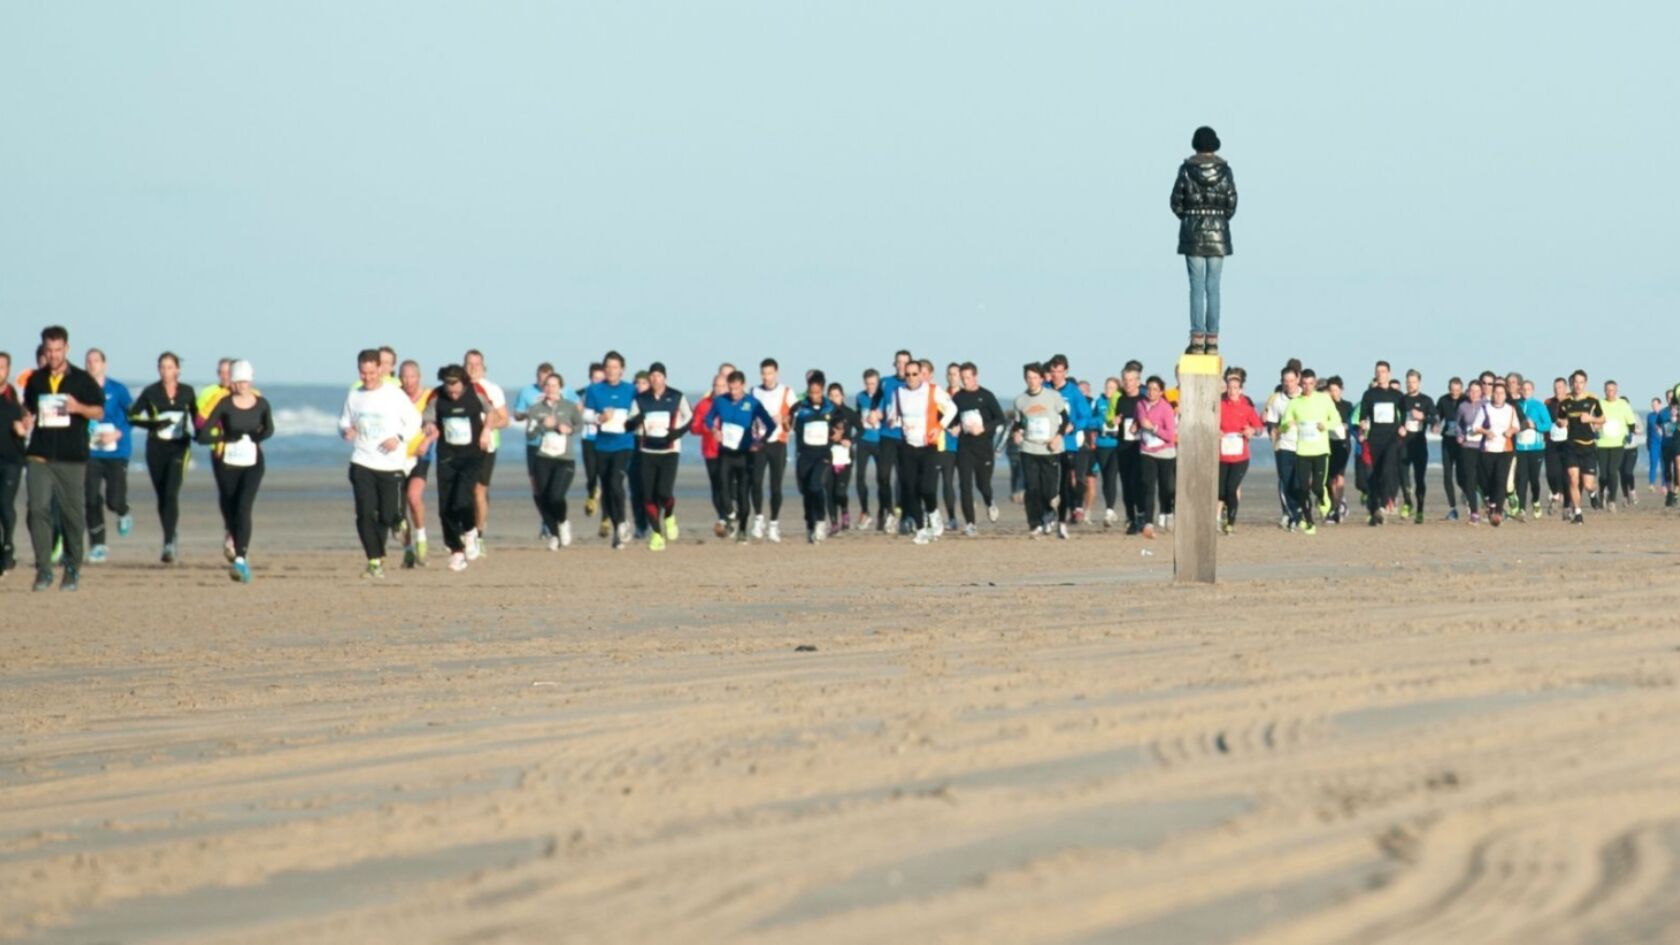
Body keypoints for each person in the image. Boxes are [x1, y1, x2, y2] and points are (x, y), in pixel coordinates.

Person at [19, 326, 105, 591]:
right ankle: (44, 569)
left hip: (71, 458)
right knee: (37, 511)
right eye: (49, 350)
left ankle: (72, 568)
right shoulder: (35, 380)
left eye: (58, 350)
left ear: (66, 348)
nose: (54, 355)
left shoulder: (81, 379)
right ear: (43, 350)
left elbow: (99, 411)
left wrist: (78, 407)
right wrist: (25, 417)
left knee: (72, 516)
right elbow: (28, 407)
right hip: (39, 455)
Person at [340, 349, 421, 579]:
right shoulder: (355, 395)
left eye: (372, 373)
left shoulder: (394, 394)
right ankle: (374, 561)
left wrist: (398, 438)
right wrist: (346, 430)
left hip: (391, 464)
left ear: (381, 370)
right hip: (362, 461)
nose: (368, 377)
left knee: (389, 515)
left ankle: (398, 523)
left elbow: (414, 421)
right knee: (364, 515)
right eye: (363, 373)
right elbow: (343, 421)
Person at [196, 359, 272, 583]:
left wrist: (256, 436)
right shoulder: (224, 403)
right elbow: (202, 434)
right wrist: (223, 436)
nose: (240, 386)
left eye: (244, 382)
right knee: (230, 509)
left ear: (250, 381)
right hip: (227, 464)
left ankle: (240, 558)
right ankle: (234, 540)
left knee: (244, 507)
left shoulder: (261, 403)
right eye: (237, 382)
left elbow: (269, 428)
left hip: (253, 464)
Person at [1171, 125, 1237, 356]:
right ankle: (1212, 339)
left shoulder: (1186, 169)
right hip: (1218, 234)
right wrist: (1218, 220)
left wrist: (1189, 218)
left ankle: (1197, 338)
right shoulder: (1225, 170)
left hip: (1193, 233)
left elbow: (1176, 202)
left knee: (1196, 287)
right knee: (1214, 287)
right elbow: (1231, 203)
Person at [126, 352, 197, 564]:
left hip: (179, 448)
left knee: (171, 493)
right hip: (156, 449)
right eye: (162, 367)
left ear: (178, 370)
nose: (165, 371)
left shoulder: (187, 392)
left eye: (169, 367)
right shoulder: (151, 392)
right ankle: (171, 532)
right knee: (162, 496)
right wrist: (153, 424)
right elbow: (132, 416)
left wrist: (204, 433)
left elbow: (198, 417)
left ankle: (168, 542)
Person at [423, 364, 490, 570]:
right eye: (449, 390)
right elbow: (428, 418)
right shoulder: (436, 395)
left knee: (462, 499)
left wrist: (486, 430)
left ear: (464, 384)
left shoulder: (476, 392)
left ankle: (470, 532)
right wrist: (429, 426)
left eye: (456, 390)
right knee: (445, 507)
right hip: (447, 456)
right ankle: (456, 551)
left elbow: (491, 411)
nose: (452, 394)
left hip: (472, 454)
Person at [886, 357, 959, 544]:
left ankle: (933, 512)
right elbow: (893, 415)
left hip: (928, 446)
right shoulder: (898, 392)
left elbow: (952, 409)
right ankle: (920, 529)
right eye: (907, 374)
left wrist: (940, 426)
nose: (910, 378)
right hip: (908, 446)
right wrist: (892, 420)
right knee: (910, 489)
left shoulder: (932, 391)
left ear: (921, 375)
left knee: (927, 488)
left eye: (914, 374)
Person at [77, 348, 135, 564]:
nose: (92, 364)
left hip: (116, 452)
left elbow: (133, 415)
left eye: (96, 361)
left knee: (114, 499)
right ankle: (98, 544)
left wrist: (118, 432)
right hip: (91, 452)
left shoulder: (117, 389)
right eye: (89, 361)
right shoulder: (80, 390)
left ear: (104, 364)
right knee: (91, 498)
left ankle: (123, 510)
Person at [627, 362, 692, 551]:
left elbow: (690, 417)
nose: (656, 380)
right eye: (652, 376)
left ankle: (669, 516)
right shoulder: (640, 400)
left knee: (664, 493)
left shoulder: (676, 396)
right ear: (649, 379)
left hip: (669, 451)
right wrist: (635, 422)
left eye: (659, 376)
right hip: (647, 451)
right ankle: (656, 534)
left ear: (665, 378)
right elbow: (628, 425)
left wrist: (678, 432)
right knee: (648, 496)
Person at [708, 370, 779, 543]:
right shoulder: (721, 401)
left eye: (737, 389)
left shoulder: (753, 403)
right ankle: (731, 515)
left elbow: (770, 425)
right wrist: (715, 430)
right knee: (722, 487)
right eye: (731, 389)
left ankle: (742, 531)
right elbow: (708, 419)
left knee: (742, 494)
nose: (734, 393)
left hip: (745, 454)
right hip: (726, 452)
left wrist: (760, 441)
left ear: (743, 385)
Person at [1276, 369, 1344, 535]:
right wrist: (1287, 425)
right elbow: (1283, 425)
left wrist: (1325, 426)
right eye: (1304, 384)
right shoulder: (1295, 403)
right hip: (1302, 452)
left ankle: (1323, 498)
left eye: (1311, 384)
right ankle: (1309, 522)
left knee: (1317, 486)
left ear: (1315, 384)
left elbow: (1336, 419)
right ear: (1301, 384)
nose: (1307, 387)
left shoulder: (1324, 399)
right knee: (1303, 490)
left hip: (1320, 452)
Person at [582, 351, 638, 549]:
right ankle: (617, 531)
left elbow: (639, 411)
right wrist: (599, 419)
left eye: (615, 367)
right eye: (608, 367)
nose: (611, 371)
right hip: (602, 445)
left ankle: (622, 522)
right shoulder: (595, 390)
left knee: (616, 481)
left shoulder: (631, 390)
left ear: (622, 370)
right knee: (607, 489)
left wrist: (634, 422)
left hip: (624, 444)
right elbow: (586, 415)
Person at [524, 372, 583, 550]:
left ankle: (563, 522)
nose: (550, 389)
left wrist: (568, 429)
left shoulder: (569, 406)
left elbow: (579, 425)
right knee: (543, 498)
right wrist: (543, 425)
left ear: (560, 388)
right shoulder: (536, 409)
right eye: (547, 385)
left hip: (564, 460)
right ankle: (554, 534)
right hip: (543, 458)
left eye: (554, 385)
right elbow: (530, 433)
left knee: (556, 496)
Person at [1011, 362, 1071, 538]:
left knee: (1050, 490)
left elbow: (1066, 419)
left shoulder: (1053, 396)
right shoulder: (1020, 400)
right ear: (1025, 379)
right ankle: (1035, 524)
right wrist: (1016, 433)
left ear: (1042, 378)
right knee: (1032, 488)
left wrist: (1058, 437)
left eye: (1035, 378)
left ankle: (1049, 512)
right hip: (1029, 449)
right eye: (1028, 378)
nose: (1032, 381)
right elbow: (1018, 423)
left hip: (1050, 449)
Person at [952, 361, 1006, 535]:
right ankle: (970, 524)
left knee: (983, 484)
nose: (965, 381)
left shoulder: (987, 396)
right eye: (963, 378)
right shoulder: (958, 398)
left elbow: (1000, 419)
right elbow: (950, 419)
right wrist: (953, 427)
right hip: (964, 446)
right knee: (964, 485)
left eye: (968, 377)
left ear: (975, 377)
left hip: (983, 447)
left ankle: (990, 502)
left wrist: (984, 428)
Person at [463, 350, 508, 550]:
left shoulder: (492, 389)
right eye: (469, 364)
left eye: (477, 364)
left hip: (485, 445)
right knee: (463, 491)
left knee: (478, 490)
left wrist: (486, 427)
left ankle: (478, 536)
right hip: (460, 447)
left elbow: (504, 419)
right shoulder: (458, 388)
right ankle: (467, 529)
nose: (473, 368)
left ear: (484, 368)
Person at [750, 358, 795, 543]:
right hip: (760, 442)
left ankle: (774, 523)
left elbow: (793, 418)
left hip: (778, 442)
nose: (767, 377)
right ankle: (759, 518)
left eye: (770, 373)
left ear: (776, 373)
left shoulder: (786, 391)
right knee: (756, 481)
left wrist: (783, 418)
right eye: (764, 373)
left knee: (775, 486)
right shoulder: (754, 391)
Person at [791, 372, 840, 542]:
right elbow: (788, 425)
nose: (814, 396)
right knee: (807, 492)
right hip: (805, 455)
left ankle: (820, 520)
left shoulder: (831, 408)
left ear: (823, 390)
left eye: (817, 393)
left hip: (823, 455)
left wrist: (839, 433)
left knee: (816, 486)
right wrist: (783, 422)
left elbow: (840, 426)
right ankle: (810, 524)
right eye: (811, 392)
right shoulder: (799, 408)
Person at [397, 360, 437, 567]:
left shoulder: (429, 396)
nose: (408, 380)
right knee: (398, 510)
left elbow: (435, 426)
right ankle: (408, 549)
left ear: (418, 377)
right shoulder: (394, 396)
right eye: (404, 376)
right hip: (396, 458)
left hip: (421, 455)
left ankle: (421, 539)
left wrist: (427, 441)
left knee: (413, 497)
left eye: (412, 376)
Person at [1359, 361, 1408, 525]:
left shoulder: (1397, 395)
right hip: (1374, 439)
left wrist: (1403, 427)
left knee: (1387, 470)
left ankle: (1383, 504)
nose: (1381, 374)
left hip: (1392, 439)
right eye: (1378, 371)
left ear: (1389, 374)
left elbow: (1403, 413)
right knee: (1374, 476)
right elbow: (1363, 415)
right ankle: (1374, 510)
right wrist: (1362, 424)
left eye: (1384, 371)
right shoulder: (1369, 394)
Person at [1046, 355, 1092, 530]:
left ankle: (1067, 512)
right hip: (1047, 443)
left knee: (1066, 481)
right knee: (1048, 481)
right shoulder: (1045, 389)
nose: (1056, 375)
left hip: (1068, 443)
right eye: (1053, 371)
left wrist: (1073, 426)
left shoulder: (1073, 392)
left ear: (1066, 372)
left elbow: (1086, 416)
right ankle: (1049, 512)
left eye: (1060, 371)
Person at [512, 362, 557, 539]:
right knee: (537, 486)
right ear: (537, 377)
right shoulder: (527, 392)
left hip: (554, 443)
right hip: (534, 443)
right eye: (541, 379)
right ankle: (546, 520)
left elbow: (575, 408)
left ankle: (553, 520)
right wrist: (528, 413)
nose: (545, 384)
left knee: (552, 486)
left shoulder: (562, 391)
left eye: (548, 380)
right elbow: (517, 414)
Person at [1218, 368, 1264, 534]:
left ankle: (1230, 522)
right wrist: (1216, 432)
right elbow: (1210, 424)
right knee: (1220, 491)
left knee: (1231, 489)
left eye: (1235, 388)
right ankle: (1222, 514)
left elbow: (1259, 428)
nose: (1232, 391)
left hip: (1240, 457)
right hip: (1221, 456)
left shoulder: (1246, 408)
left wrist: (1252, 430)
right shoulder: (1220, 406)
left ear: (1241, 390)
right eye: (1229, 388)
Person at [1557, 370, 1604, 525]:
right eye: (1575, 382)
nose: (1578, 385)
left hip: (1588, 446)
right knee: (1573, 479)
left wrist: (1590, 418)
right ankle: (1578, 513)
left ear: (1585, 383)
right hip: (1571, 445)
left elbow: (1603, 418)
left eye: (1581, 382)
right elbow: (1560, 419)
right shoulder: (1565, 402)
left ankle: (1593, 494)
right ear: (1571, 383)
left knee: (1588, 483)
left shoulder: (1592, 400)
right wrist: (1561, 423)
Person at [1135, 376, 1179, 539]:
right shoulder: (1140, 404)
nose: (1151, 392)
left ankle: (1167, 512)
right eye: (1149, 388)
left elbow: (1171, 436)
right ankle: (1148, 523)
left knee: (1166, 487)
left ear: (1161, 392)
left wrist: (1153, 428)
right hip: (1146, 451)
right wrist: (1135, 426)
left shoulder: (1166, 408)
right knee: (1148, 486)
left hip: (1165, 452)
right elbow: (1138, 420)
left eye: (1155, 389)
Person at [1473, 382, 1519, 526]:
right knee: (1487, 481)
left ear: (1506, 395)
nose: (1499, 396)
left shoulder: (1510, 409)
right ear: (1492, 394)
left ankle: (1497, 512)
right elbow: (1475, 426)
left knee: (1501, 480)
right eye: (1496, 393)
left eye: (1502, 393)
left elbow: (1517, 426)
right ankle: (1491, 503)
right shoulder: (1485, 408)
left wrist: (1510, 431)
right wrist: (1486, 432)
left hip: (1505, 449)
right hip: (1487, 448)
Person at [1263, 362, 1303, 529]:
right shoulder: (1277, 400)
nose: (1289, 384)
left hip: (1304, 446)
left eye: (1292, 380)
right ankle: (1292, 514)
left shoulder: (1305, 397)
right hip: (1283, 446)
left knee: (1299, 482)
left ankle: (1299, 511)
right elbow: (1271, 423)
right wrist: (1274, 431)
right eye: (1286, 381)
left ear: (1298, 380)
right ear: (1282, 381)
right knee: (1286, 481)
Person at [691, 374, 731, 537]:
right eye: (716, 385)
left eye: (722, 386)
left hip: (730, 451)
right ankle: (722, 517)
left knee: (727, 484)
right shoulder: (703, 405)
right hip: (711, 451)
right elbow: (693, 427)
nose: (719, 389)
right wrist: (710, 429)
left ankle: (730, 515)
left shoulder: (732, 404)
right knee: (717, 485)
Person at [1398, 370, 1436, 524]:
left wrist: (1424, 417)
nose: (1410, 385)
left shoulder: (1426, 400)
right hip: (1404, 443)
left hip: (1419, 443)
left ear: (1419, 383)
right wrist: (1399, 427)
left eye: (1413, 382)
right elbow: (1395, 418)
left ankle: (1420, 509)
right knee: (1403, 476)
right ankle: (1408, 502)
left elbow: (1435, 418)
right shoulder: (1401, 400)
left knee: (1419, 479)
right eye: (1408, 382)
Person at [1513, 377, 1554, 520]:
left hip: (1536, 448)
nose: (1525, 391)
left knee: (1534, 479)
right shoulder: (1516, 405)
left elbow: (1548, 425)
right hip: (1519, 448)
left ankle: (1535, 500)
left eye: (1528, 389)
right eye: (1523, 389)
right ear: (1520, 390)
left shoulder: (1538, 405)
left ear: (1533, 390)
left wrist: (1535, 426)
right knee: (1520, 478)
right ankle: (1522, 509)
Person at [1593, 380, 1637, 512]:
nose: (1610, 393)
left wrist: (1629, 434)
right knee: (1603, 474)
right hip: (1602, 443)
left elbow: (1631, 422)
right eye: (1607, 390)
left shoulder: (1623, 404)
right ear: (1604, 390)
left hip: (1618, 443)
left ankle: (1612, 500)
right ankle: (1602, 493)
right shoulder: (1599, 404)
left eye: (1612, 390)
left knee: (1613, 472)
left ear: (1616, 391)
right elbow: (1592, 420)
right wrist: (1594, 431)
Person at [0, 352, 24, 577]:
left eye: (2, 367)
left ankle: (8, 545)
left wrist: (23, 428)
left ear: (8, 370)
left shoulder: (14, 399)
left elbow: (29, 422)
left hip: (12, 461)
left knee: (5, 507)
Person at [826, 382, 861, 531]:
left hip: (845, 457)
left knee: (840, 491)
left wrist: (851, 441)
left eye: (837, 395)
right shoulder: (825, 413)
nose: (834, 398)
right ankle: (834, 522)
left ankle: (845, 511)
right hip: (828, 455)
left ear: (843, 396)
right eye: (831, 396)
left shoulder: (849, 413)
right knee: (829, 491)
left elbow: (862, 430)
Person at [852, 369, 884, 530]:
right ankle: (865, 511)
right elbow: (857, 418)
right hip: (864, 442)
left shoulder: (882, 398)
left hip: (879, 442)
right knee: (859, 478)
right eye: (867, 384)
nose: (870, 387)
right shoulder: (860, 397)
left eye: (873, 383)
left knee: (881, 479)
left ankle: (882, 513)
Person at [578, 362, 605, 533]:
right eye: (595, 378)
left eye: (601, 379)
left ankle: (606, 519)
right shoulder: (582, 393)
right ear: (590, 378)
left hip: (606, 439)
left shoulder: (608, 394)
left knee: (608, 481)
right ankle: (591, 494)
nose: (598, 382)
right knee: (591, 475)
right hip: (588, 438)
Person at [1435, 378, 1468, 520]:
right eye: (1452, 390)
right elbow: (1437, 416)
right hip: (1447, 442)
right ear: (1449, 388)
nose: (1454, 393)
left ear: (1461, 389)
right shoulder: (1443, 400)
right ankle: (1452, 509)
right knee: (1447, 475)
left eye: (1457, 390)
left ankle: (1467, 495)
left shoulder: (1466, 400)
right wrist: (1435, 424)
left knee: (1462, 476)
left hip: (1462, 443)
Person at [1455, 379, 1487, 523]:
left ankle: (1490, 503)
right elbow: (1458, 425)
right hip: (1468, 446)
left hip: (1483, 447)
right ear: (1467, 392)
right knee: (1470, 479)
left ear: (1481, 392)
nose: (1473, 394)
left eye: (1476, 391)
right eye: (1471, 391)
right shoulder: (1462, 406)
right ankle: (1474, 511)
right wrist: (1460, 435)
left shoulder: (1486, 405)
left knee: (1483, 478)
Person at [1325, 376, 1355, 524]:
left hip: (1344, 444)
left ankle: (1337, 507)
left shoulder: (1348, 406)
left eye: (1335, 390)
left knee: (1339, 476)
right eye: (1330, 390)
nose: (1333, 393)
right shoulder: (1326, 405)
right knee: (1330, 478)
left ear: (1341, 390)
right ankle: (1336, 503)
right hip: (1328, 444)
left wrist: (1346, 426)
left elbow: (1353, 423)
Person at [1648, 397, 1669, 493]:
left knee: (1664, 465)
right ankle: (1651, 484)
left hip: (1664, 443)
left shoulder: (1664, 414)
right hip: (1653, 443)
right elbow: (1648, 431)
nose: (1654, 407)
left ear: (1660, 405)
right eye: (1653, 405)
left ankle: (1664, 485)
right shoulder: (1650, 416)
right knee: (1653, 463)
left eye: (1656, 405)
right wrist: (1648, 442)